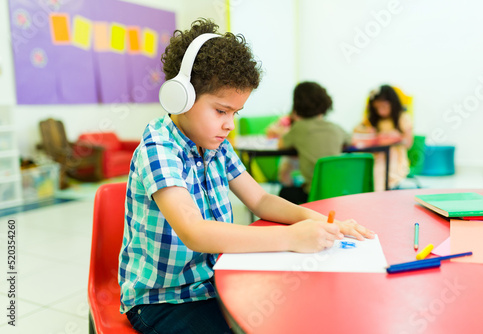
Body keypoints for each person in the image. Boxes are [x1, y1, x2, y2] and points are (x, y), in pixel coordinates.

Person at [119, 19, 374, 334]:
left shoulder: (216, 146)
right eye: (221, 111)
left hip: (215, 283)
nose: (230, 125)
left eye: (235, 113)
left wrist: (321, 222)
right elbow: (194, 232)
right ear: (180, 98)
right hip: (163, 301)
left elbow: (261, 199)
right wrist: (292, 238)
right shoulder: (158, 149)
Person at [277, 81, 351, 204]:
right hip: (339, 192)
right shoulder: (336, 128)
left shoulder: (299, 128)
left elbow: (280, 145)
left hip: (313, 195)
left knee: (284, 192)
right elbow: (350, 140)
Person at [353, 85, 413, 191]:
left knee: (382, 165)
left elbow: (408, 143)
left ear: (393, 104)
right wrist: (369, 131)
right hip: (375, 156)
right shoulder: (373, 120)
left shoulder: (402, 118)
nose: (380, 111)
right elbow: (356, 131)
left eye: (384, 107)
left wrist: (397, 138)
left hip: (395, 159)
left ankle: (380, 192)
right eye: (377, 108)